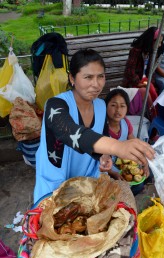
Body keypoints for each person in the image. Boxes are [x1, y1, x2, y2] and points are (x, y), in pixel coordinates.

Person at [34, 48, 155, 203]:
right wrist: (118, 147)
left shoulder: (100, 106)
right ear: (72, 78)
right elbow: (71, 133)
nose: (96, 84)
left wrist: (104, 156)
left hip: (87, 186)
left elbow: (102, 136)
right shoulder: (55, 104)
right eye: (88, 77)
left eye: (100, 77)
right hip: (55, 190)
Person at [122, 26, 160, 120]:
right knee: (149, 94)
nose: (160, 45)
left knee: (153, 90)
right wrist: (137, 83)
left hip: (144, 80)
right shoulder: (136, 51)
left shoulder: (151, 52)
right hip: (133, 81)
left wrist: (152, 82)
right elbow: (129, 71)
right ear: (151, 41)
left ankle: (155, 114)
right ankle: (153, 116)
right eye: (158, 42)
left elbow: (151, 71)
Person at [104, 88, 134, 180]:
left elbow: (132, 141)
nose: (118, 110)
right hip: (106, 167)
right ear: (106, 106)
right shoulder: (101, 127)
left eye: (122, 106)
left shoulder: (126, 123)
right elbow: (97, 158)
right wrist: (112, 173)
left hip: (122, 164)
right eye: (113, 105)